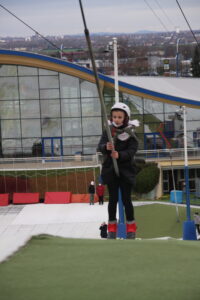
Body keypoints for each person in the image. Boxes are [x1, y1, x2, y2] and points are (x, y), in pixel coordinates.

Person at [98, 102, 139, 239]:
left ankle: (131, 229)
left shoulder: (130, 133)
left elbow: (132, 150)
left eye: (120, 117)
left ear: (125, 118)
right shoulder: (108, 131)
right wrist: (106, 147)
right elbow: (100, 146)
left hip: (125, 170)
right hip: (111, 170)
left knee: (127, 200)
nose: (116, 119)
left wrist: (120, 155)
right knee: (112, 200)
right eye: (114, 117)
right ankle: (111, 229)